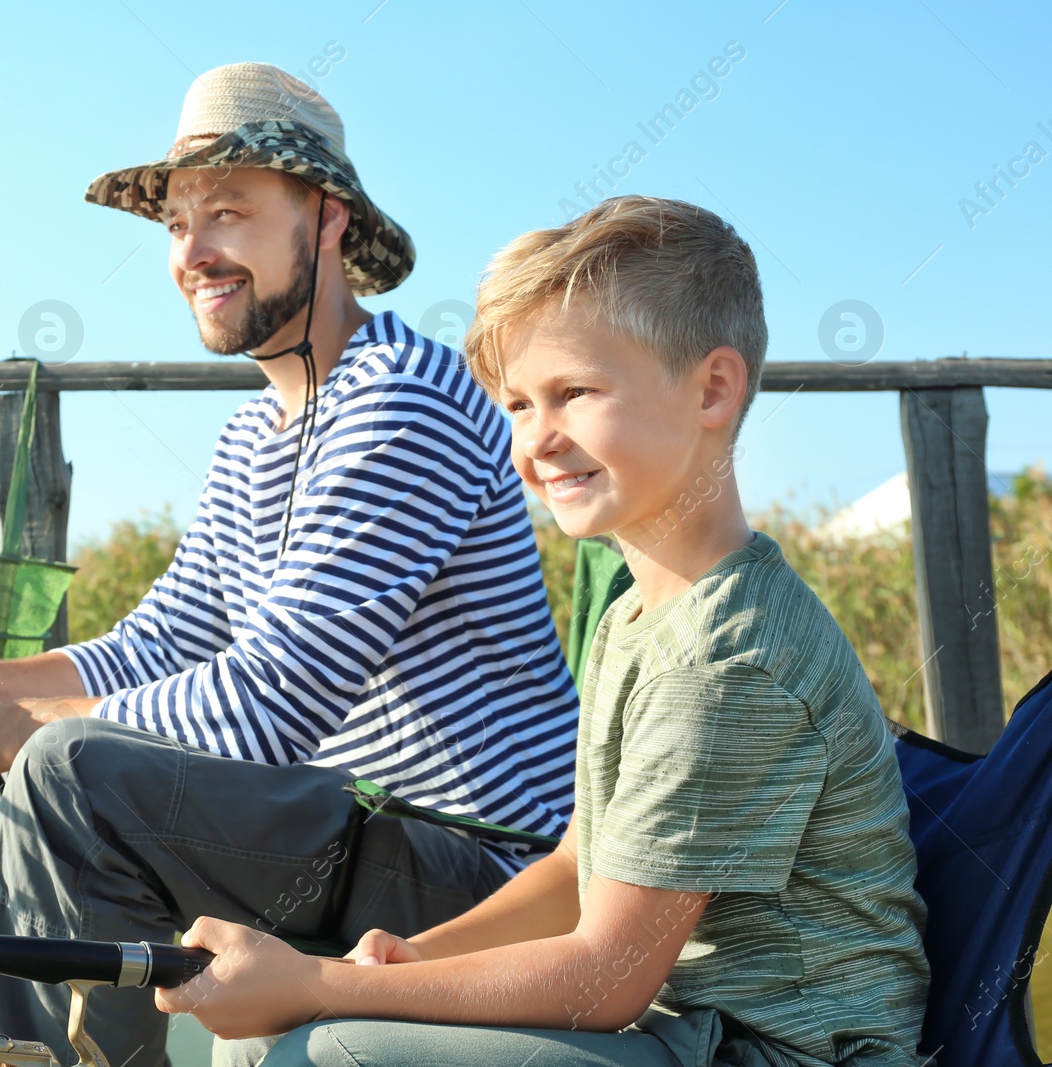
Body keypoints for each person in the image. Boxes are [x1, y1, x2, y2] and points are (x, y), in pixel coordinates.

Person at [0, 62, 580, 1067]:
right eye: (175, 225)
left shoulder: (402, 397)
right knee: (0, 775)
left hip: (481, 870)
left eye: (228, 212)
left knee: (55, 764)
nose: (192, 251)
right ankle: (31, 1055)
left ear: (325, 220)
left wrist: (13, 729)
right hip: (363, 834)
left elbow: (272, 702)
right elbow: (161, 642)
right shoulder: (253, 433)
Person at [158, 195, 932, 1067]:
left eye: (573, 393)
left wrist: (321, 983)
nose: (534, 444)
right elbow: (578, 866)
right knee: (261, 1047)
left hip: (776, 1051)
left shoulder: (728, 659)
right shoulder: (636, 617)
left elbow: (606, 976)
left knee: (326, 1049)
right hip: (681, 1031)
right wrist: (419, 953)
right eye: (519, 405)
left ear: (713, 387)